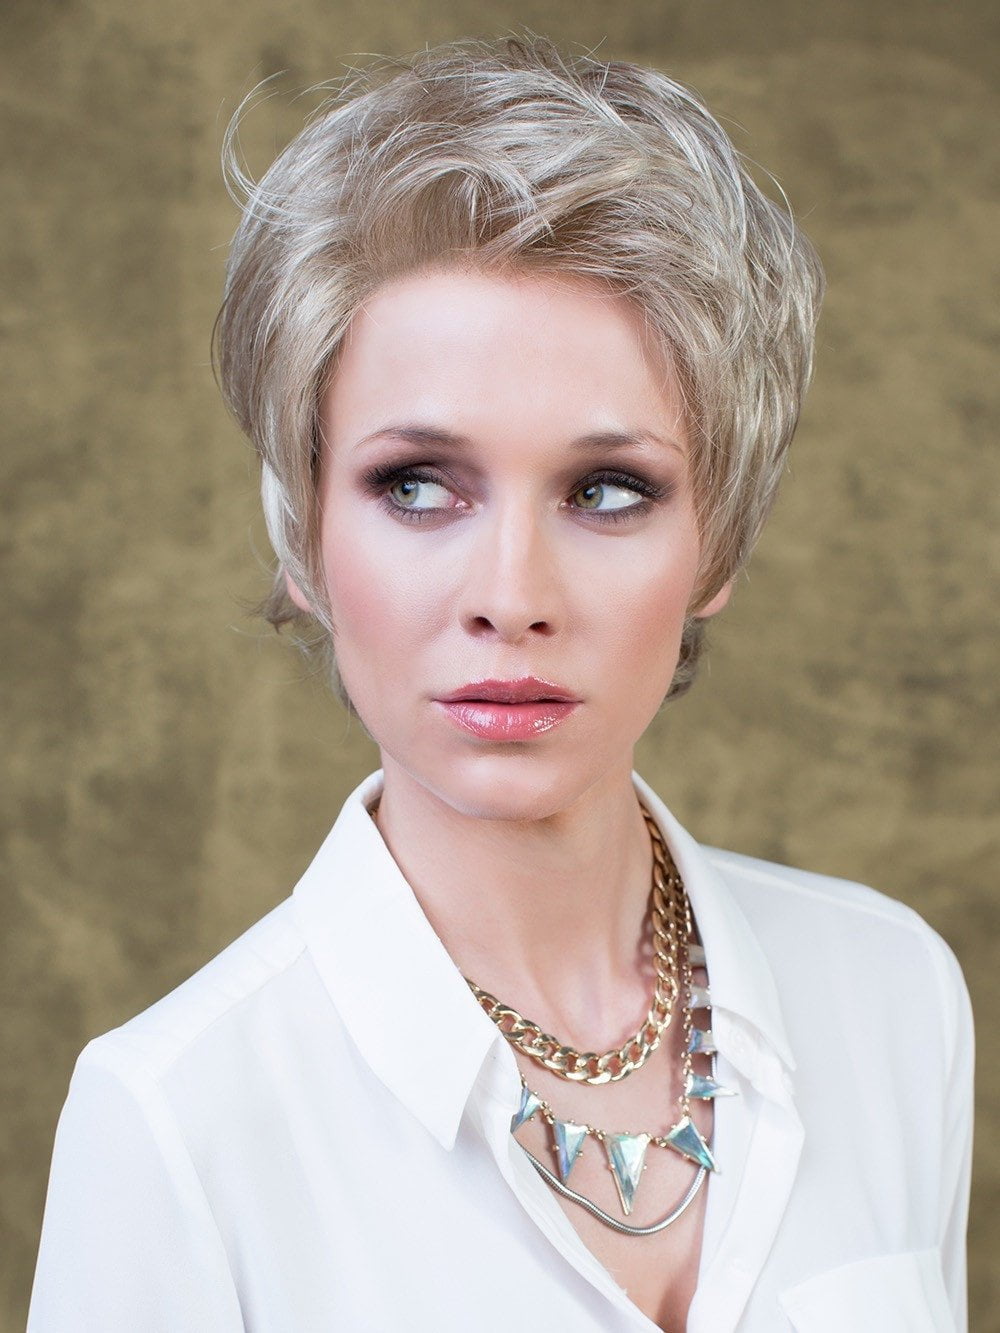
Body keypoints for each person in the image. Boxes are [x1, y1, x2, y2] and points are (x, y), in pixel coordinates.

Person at [28, 35, 972, 1333]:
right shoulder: (175, 1121)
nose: (511, 592)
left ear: (718, 544)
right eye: (417, 484)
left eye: (607, 489)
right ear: (304, 536)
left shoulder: (894, 993)